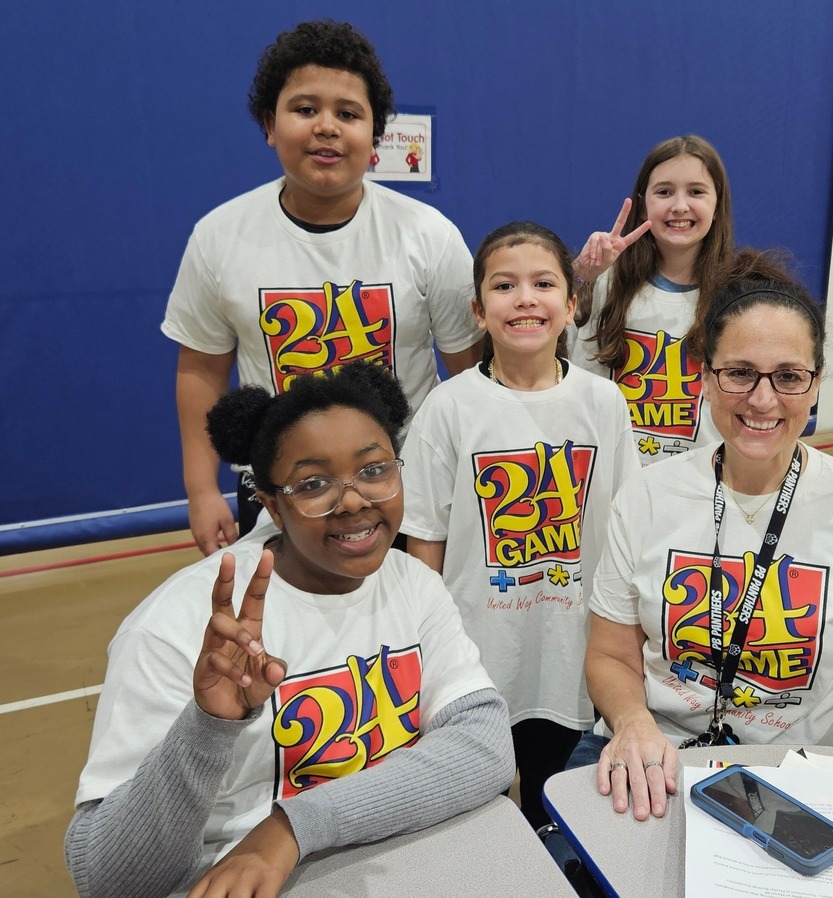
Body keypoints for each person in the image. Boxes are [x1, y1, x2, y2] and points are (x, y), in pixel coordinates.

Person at [65, 363, 514, 898]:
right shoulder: (176, 626)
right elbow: (108, 879)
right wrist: (207, 727)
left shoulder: (413, 584)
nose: (354, 500)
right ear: (272, 505)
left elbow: (485, 747)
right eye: (314, 484)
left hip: (390, 856)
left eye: (374, 470)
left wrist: (292, 828)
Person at [579, 252, 833, 854]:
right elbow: (611, 656)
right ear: (705, 376)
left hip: (807, 776)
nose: (763, 399)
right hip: (664, 764)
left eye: (788, 376)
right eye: (740, 373)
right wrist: (632, 722)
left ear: (815, 383)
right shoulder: (646, 497)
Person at [162, 20, 482, 556]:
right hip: (279, 488)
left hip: (407, 488)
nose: (327, 127)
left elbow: (471, 376)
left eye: (348, 114)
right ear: (271, 124)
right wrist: (201, 490)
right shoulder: (219, 236)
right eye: (306, 109)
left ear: (375, 136)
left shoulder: (430, 236)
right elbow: (200, 370)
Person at [400, 222, 639, 830]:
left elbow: (625, 531)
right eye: (504, 286)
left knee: (552, 805)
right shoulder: (447, 407)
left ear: (572, 304)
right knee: (475, 814)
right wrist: (430, 647)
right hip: (479, 653)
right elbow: (425, 538)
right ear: (479, 311)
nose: (525, 298)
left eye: (544, 284)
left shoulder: (604, 402)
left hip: (570, 651)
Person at [570, 135, 735, 464]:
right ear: (643, 203)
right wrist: (580, 276)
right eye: (664, 192)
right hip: (612, 472)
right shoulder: (607, 280)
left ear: (718, 206)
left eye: (696, 192)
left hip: (698, 478)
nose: (679, 206)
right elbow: (558, 364)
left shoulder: (736, 295)